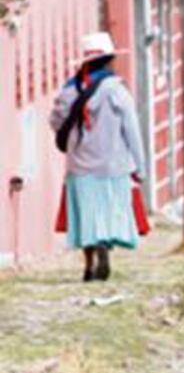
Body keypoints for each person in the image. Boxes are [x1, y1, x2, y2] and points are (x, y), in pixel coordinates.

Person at [49, 32, 145, 282]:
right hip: (114, 165)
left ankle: (89, 264)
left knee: (86, 216)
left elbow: (55, 122)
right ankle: (105, 249)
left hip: (80, 165)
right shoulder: (118, 92)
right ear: (110, 60)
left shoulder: (69, 92)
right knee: (110, 212)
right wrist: (139, 166)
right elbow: (131, 130)